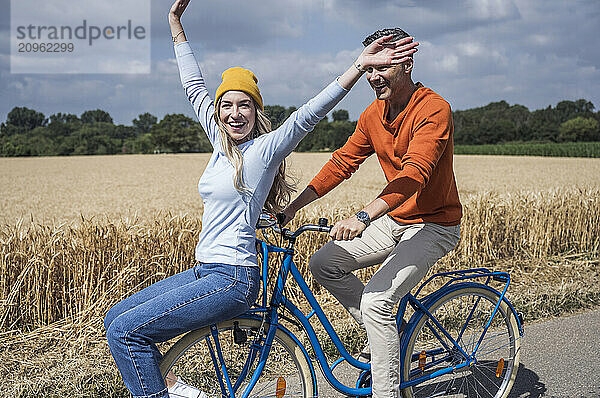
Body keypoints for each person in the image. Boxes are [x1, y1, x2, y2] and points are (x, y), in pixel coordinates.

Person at [103, 1, 419, 397]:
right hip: (206, 269)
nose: (236, 114)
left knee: (127, 334)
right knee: (114, 318)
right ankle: (173, 386)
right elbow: (192, 85)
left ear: (256, 111)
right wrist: (174, 24)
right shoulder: (220, 143)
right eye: (227, 105)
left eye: (245, 105)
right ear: (218, 111)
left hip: (231, 277)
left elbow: (309, 113)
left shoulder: (265, 150)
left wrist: (358, 66)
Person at [281, 28, 462, 398]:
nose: (373, 76)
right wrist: (291, 209)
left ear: (406, 64)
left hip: (434, 224)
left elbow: (414, 173)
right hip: (395, 221)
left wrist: (363, 217)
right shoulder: (372, 115)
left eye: (383, 67)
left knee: (378, 301)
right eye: (369, 68)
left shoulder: (433, 109)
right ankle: (387, 339)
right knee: (323, 264)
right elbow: (342, 162)